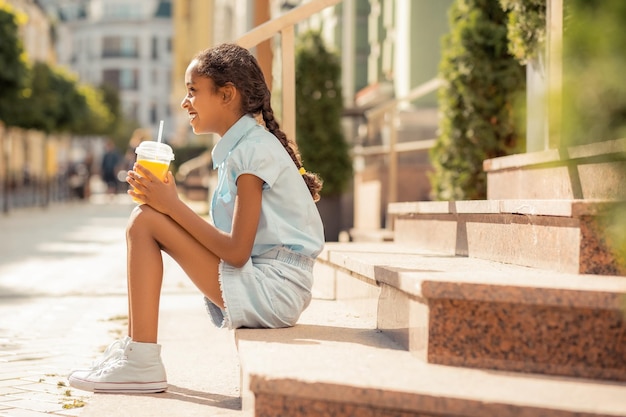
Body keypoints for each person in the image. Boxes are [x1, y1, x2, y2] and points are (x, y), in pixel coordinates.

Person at [68, 43, 325, 394]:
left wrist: (172, 206)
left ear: (227, 95)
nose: (184, 103)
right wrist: (165, 204)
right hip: (266, 278)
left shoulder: (251, 151)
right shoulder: (241, 147)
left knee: (146, 221)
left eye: (192, 92)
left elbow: (236, 252)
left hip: (276, 289)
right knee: (146, 217)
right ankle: (136, 351)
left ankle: (141, 359)